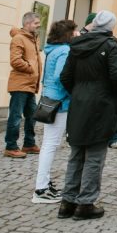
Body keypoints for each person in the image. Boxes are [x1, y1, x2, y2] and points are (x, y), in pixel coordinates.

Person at [58, 11, 117, 220]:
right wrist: (114, 94)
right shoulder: (110, 46)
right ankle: (85, 203)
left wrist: (78, 92)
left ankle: (67, 201)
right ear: (111, 27)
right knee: (95, 155)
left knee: (76, 154)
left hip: (79, 102)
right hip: (101, 103)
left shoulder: (76, 46)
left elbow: (65, 76)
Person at [33, 19, 79, 202]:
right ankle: (41, 189)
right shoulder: (64, 51)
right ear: (67, 34)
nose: (77, 34)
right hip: (59, 103)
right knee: (50, 145)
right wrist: (73, 92)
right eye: (74, 31)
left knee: (48, 144)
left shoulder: (52, 50)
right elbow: (61, 76)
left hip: (50, 99)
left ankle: (44, 184)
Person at [5, 11, 42, 159]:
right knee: (15, 117)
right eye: (36, 23)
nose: (38, 26)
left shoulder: (33, 39)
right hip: (20, 84)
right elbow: (15, 60)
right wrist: (30, 68)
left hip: (30, 85)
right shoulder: (19, 39)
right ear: (27, 24)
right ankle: (11, 146)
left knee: (32, 116)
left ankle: (29, 144)